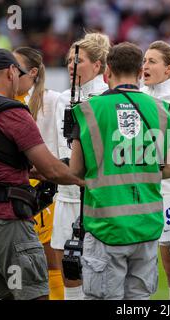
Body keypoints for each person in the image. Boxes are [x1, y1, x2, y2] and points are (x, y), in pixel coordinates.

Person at [0, 48, 84, 300]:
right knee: (32, 296)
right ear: (11, 72)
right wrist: (84, 180)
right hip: (5, 223)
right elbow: (51, 168)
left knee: (4, 297)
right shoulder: (12, 112)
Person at [69, 42, 170, 300]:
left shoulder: (88, 110)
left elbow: (75, 170)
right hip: (147, 224)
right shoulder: (162, 111)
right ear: (140, 72)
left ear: (107, 71)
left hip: (106, 224)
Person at [52, 32, 110, 300]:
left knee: (100, 272)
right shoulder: (62, 99)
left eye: (80, 61)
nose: (72, 66)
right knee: (69, 270)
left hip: (99, 198)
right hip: (66, 197)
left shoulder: (108, 99)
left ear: (98, 66)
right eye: (69, 61)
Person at [13, 46, 64, 300]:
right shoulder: (7, 100)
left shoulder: (52, 100)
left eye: (15, 66)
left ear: (32, 72)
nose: (10, 71)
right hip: (14, 191)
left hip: (43, 192)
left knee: (50, 259)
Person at [141, 40, 170, 300]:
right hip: (144, 185)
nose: (145, 66)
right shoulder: (140, 95)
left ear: (169, 70)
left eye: (152, 61)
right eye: (144, 61)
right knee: (146, 257)